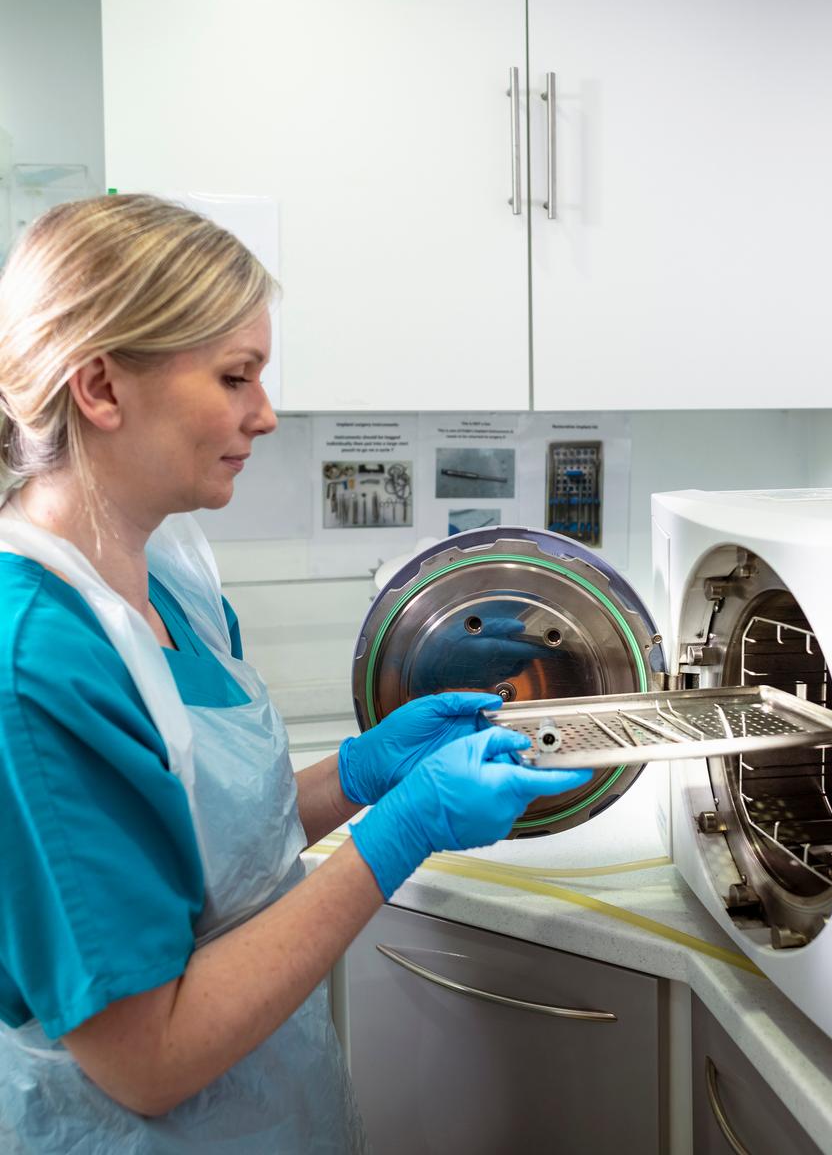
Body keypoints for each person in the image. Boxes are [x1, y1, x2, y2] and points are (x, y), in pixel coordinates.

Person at [0, 194, 590, 1153]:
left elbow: (205, 842)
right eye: (237, 376)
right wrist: (402, 832)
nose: (265, 415)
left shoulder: (170, 578)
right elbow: (146, 1059)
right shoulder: (32, 668)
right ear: (101, 389)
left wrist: (361, 775)